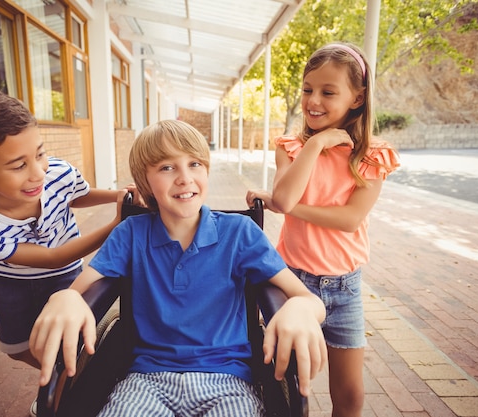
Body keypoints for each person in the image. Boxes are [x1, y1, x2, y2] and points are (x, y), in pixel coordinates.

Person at [30, 119, 328, 416]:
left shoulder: (239, 233)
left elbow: (309, 300)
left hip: (227, 382)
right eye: (166, 167)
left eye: (195, 164)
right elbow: (78, 292)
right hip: (145, 381)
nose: (185, 178)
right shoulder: (131, 233)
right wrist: (66, 298)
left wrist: (300, 309)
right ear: (146, 182)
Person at [246, 43, 400, 417]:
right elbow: (283, 197)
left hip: (345, 288)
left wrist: (283, 204)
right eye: (307, 89)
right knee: (287, 385)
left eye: (328, 92)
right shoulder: (293, 146)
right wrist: (316, 144)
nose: (313, 100)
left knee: (349, 395)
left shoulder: (372, 156)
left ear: (357, 98)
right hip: (292, 283)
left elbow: (348, 220)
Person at [0, 84, 132, 373]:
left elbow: (76, 194)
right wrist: (117, 225)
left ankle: (69, 386)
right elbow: (53, 257)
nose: (39, 173)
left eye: (40, 154)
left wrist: (116, 196)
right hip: (12, 282)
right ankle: (63, 374)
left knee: (68, 340)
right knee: (16, 347)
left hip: (67, 275)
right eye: (18, 166)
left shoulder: (57, 172)